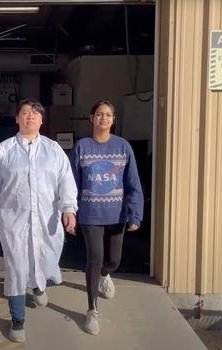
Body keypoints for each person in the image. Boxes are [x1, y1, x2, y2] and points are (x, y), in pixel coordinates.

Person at [0, 99, 78, 343]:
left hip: (47, 221)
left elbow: (65, 181)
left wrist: (68, 208)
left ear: (42, 120)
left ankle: (39, 286)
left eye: (35, 113)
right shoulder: (4, 151)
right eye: (25, 113)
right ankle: (17, 319)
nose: (30, 117)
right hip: (14, 222)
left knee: (45, 258)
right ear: (17, 118)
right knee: (16, 268)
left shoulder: (53, 150)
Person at [70, 100, 144, 335]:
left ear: (113, 120)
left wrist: (135, 213)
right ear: (91, 118)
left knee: (113, 259)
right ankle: (92, 310)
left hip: (117, 214)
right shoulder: (82, 146)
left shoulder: (123, 147)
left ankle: (106, 274)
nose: (103, 118)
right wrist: (69, 212)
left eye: (108, 115)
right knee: (94, 259)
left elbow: (133, 183)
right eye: (99, 114)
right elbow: (71, 183)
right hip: (90, 214)